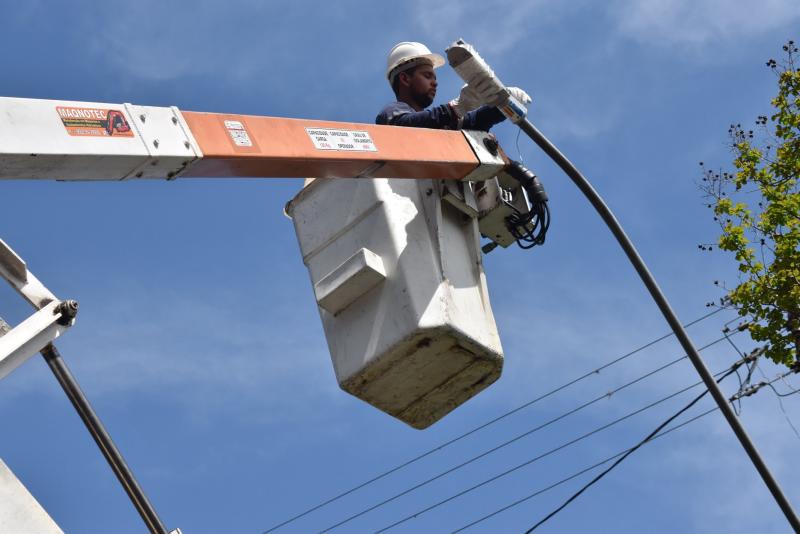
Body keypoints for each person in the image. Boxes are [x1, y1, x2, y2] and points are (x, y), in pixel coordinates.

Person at [376, 41, 530, 131]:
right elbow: (404, 128)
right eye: (427, 76)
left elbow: (473, 122)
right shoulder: (391, 113)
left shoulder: (438, 126)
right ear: (405, 79)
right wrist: (457, 107)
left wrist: (502, 104)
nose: (435, 82)